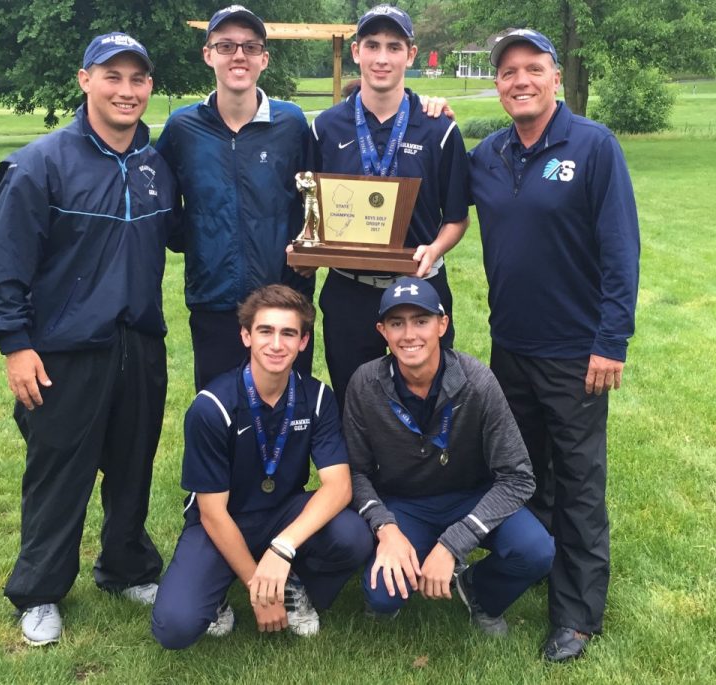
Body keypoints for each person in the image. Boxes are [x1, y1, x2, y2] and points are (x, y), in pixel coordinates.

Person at [0, 32, 180, 645]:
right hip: (62, 350)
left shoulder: (154, 164)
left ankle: (126, 567)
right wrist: (15, 344)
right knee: (59, 471)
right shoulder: (42, 163)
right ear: (85, 80)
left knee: (132, 464)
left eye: (138, 79)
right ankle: (38, 590)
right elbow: (3, 263)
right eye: (112, 76)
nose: (126, 90)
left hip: (138, 341)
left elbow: (185, 233)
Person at [467, 29, 640, 661]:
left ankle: (576, 615)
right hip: (510, 348)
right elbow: (438, 207)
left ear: (555, 77)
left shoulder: (593, 147)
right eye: (508, 72)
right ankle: (527, 571)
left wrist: (610, 341)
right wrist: (427, 112)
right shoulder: (486, 155)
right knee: (521, 476)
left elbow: (622, 251)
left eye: (532, 69)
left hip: (576, 354)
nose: (520, 81)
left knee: (578, 483)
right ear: (498, 83)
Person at [151, 285, 373, 648]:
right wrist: (258, 588)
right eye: (265, 331)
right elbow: (211, 513)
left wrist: (283, 547)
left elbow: (339, 487)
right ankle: (228, 593)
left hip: (282, 511)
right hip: (223, 519)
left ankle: (293, 584)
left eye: (289, 333)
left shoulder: (317, 397)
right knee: (174, 628)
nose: (276, 344)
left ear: (303, 342)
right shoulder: (211, 407)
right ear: (245, 336)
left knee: (354, 536)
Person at [344, 277, 554, 635]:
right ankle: (409, 559)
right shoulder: (365, 384)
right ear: (383, 331)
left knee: (537, 551)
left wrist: (454, 543)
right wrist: (386, 527)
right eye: (397, 323)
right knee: (382, 596)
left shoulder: (478, 382)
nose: (410, 334)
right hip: (406, 504)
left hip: (472, 496)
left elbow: (519, 476)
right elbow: (356, 473)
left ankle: (478, 590)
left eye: (421, 321)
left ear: (442, 324)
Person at [308, 4, 471, 408]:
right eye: (373, 45)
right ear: (356, 52)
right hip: (350, 289)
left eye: (394, 46)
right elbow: (310, 210)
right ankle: (362, 473)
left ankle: (426, 470)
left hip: (421, 286)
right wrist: (308, 247)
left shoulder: (439, 128)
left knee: (429, 396)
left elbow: (456, 218)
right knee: (354, 399)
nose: (382, 58)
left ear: (410, 54)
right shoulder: (326, 127)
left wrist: (435, 249)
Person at [155, 5, 315, 391]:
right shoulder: (182, 129)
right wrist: (192, 240)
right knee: (219, 410)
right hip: (214, 300)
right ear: (208, 55)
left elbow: (317, 200)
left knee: (289, 411)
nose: (238, 55)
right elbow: (159, 199)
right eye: (226, 46)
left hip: (283, 301)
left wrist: (308, 256)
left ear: (264, 58)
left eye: (249, 46)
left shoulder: (291, 123)